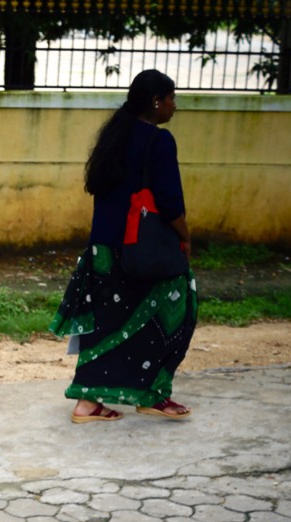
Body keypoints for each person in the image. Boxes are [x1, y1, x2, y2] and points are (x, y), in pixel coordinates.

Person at [52, 69, 196, 423]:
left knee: (105, 323)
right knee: (178, 312)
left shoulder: (114, 136)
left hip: (104, 249)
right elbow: (169, 201)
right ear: (156, 102)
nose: (175, 106)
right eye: (171, 98)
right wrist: (185, 235)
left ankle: (89, 402)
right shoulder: (159, 141)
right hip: (142, 250)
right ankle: (153, 393)